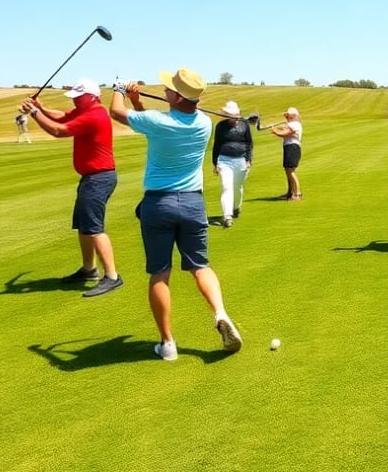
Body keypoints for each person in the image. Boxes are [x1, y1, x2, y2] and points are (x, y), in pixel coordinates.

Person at [109, 68, 242, 361]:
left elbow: (116, 113)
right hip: (193, 204)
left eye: (169, 88)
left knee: (160, 273)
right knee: (201, 267)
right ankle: (220, 312)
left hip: (159, 204)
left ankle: (167, 344)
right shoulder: (204, 123)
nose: (164, 90)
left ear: (178, 97)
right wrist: (137, 101)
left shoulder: (159, 121)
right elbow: (152, 123)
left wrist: (119, 89)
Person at [21, 78, 123, 297]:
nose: (75, 101)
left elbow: (59, 130)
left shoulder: (94, 115)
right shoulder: (86, 111)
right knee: (84, 226)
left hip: (99, 178)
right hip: (91, 178)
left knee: (94, 228)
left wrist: (34, 113)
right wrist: (40, 107)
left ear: (92, 97)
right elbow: (62, 116)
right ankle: (89, 270)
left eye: (79, 97)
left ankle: (112, 277)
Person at [211, 100, 252, 228]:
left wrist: (249, 160)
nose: (234, 118)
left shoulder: (244, 125)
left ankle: (236, 207)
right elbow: (217, 144)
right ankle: (227, 216)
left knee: (237, 187)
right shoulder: (220, 126)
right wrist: (215, 163)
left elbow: (249, 143)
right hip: (224, 160)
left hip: (240, 160)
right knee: (226, 186)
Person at [270, 107, 303, 200]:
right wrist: (274, 127)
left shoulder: (295, 124)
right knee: (287, 170)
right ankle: (290, 192)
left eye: (288, 115)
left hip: (293, 147)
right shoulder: (290, 123)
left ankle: (297, 193)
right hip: (288, 147)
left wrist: (275, 131)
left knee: (291, 171)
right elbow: (283, 126)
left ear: (293, 116)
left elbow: (286, 133)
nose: (287, 117)